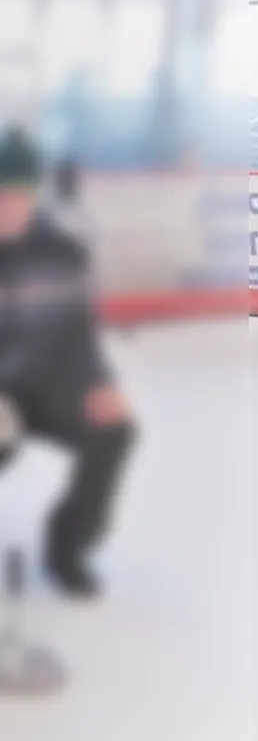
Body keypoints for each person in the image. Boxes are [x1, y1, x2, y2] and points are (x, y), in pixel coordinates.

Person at [0, 124, 135, 597]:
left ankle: (66, 548)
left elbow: (78, 336)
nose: (8, 208)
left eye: (18, 195)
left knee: (114, 430)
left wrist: (98, 383)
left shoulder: (62, 251)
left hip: (48, 387)